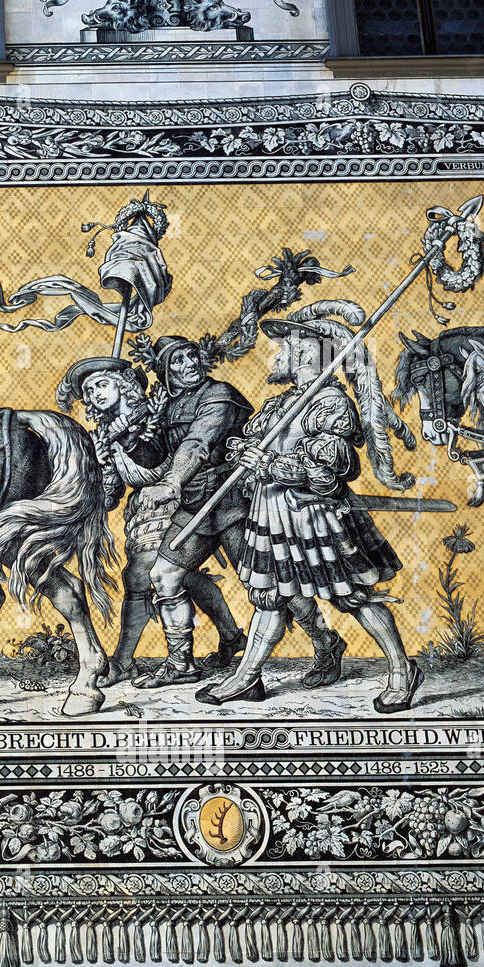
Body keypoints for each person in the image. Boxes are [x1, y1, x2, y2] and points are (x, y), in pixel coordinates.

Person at [196, 303, 423, 713]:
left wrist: (271, 465)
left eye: (290, 348)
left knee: (352, 596)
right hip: (272, 514)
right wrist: (244, 453)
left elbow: (329, 474)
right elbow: (260, 446)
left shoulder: (330, 403)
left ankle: (402, 672)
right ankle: (247, 678)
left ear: (312, 355)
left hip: (315, 516)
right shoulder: (282, 403)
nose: (279, 354)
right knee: (268, 595)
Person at [123, 334, 345, 689]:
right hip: (196, 505)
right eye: (177, 361)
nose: (189, 364)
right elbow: (160, 457)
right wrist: (135, 438)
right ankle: (181, 664)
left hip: (236, 502)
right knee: (164, 576)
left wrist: (172, 483)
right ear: (165, 371)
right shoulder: (167, 407)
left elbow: (199, 442)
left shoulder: (219, 395)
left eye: (191, 355)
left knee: (272, 587)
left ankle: (325, 644)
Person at [58, 354, 245, 685]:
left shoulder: (152, 415)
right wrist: (98, 468)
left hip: (179, 498)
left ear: (124, 385)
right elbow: (110, 495)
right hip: (143, 510)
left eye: (103, 384)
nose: (96, 395)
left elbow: (157, 458)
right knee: (178, 578)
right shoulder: (104, 433)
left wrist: (127, 439)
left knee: (140, 576)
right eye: (90, 390)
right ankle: (231, 636)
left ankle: (124, 660)